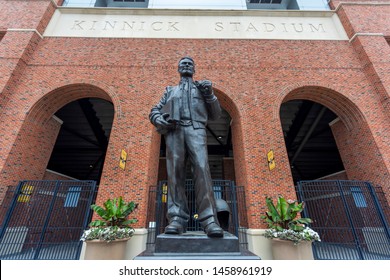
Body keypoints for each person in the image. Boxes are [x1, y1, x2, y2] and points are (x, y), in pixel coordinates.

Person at [149, 57, 224, 238]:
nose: (187, 65)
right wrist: (159, 119)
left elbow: (215, 115)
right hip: (174, 131)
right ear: (178, 68)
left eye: (190, 64)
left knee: (202, 169)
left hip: (196, 130)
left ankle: (209, 220)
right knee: (174, 173)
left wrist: (210, 94)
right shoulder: (170, 90)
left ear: (194, 69)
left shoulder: (202, 88)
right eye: (183, 63)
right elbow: (154, 111)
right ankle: (176, 219)